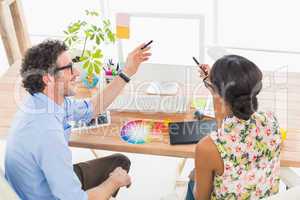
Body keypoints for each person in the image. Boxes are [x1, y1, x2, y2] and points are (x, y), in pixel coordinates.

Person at [5, 39, 151, 200]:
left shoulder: (44, 100)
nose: (77, 73)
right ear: (48, 79)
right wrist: (114, 182)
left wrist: (127, 71)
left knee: (120, 162)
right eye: (69, 68)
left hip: (45, 181)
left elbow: (93, 108)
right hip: (48, 195)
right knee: (116, 174)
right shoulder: (46, 132)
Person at [186, 55, 281, 200]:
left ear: (221, 94)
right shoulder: (270, 120)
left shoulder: (207, 147)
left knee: (193, 179)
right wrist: (215, 90)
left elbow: (201, 198)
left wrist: (196, 178)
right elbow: (225, 131)